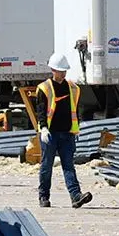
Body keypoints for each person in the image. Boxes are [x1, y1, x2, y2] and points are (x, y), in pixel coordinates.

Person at [36, 53, 94, 209]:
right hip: (50, 134)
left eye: (65, 71)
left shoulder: (73, 88)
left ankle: (76, 196)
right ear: (53, 70)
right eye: (60, 71)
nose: (63, 74)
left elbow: (75, 109)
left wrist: (76, 128)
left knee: (68, 166)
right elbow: (41, 110)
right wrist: (43, 128)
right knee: (46, 166)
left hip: (67, 134)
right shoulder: (44, 88)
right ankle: (44, 196)